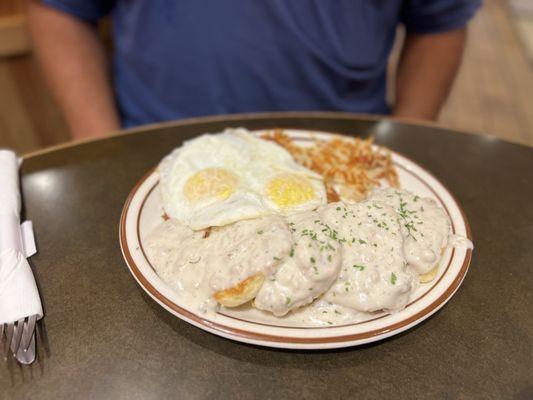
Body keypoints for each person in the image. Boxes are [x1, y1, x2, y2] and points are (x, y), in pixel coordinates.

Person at [27, 1, 480, 140]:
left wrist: (409, 140)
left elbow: (439, 22)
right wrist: (102, 143)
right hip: (153, 145)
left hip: (345, 151)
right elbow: (59, 10)